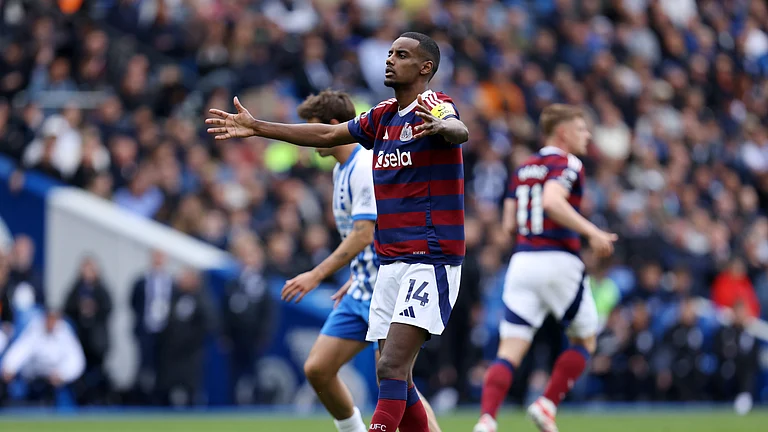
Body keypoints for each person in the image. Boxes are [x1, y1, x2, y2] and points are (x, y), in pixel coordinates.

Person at [207, 32, 468, 432]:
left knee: (392, 366)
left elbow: (456, 128)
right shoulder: (381, 116)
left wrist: (446, 129)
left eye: (402, 55)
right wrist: (258, 127)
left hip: (429, 259)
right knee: (396, 374)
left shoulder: (432, 106)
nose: (390, 60)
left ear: (425, 68)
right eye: (389, 53)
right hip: (390, 262)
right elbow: (328, 134)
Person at [279, 89, 441, 432]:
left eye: (312, 128)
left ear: (333, 126)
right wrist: (356, 273)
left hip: (385, 286)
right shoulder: (341, 169)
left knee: (398, 381)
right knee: (318, 369)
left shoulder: (364, 165)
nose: (309, 138)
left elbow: (364, 233)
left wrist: (316, 274)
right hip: (362, 286)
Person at [473, 104, 617, 432]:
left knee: (509, 351)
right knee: (586, 340)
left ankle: (486, 420)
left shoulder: (523, 167)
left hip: (522, 262)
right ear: (563, 133)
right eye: (581, 129)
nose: (587, 135)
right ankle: (547, 403)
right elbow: (552, 201)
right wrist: (592, 232)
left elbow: (509, 225)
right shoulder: (568, 163)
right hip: (557, 259)